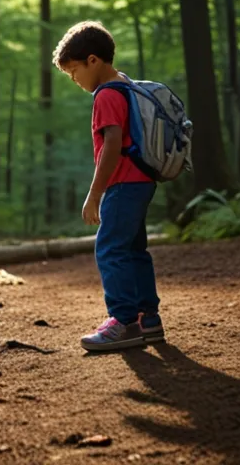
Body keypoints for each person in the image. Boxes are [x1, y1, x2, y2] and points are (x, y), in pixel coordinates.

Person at [51, 20, 164, 352]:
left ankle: (124, 322)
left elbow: (112, 142)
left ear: (92, 61)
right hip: (142, 180)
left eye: (74, 72)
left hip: (122, 183)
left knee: (110, 249)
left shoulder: (107, 94)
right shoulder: (126, 86)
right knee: (133, 250)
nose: (74, 80)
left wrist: (95, 192)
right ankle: (148, 320)